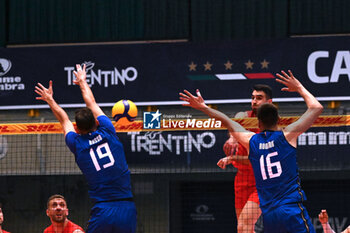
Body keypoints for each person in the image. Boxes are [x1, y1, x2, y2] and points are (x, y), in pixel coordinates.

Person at [180, 70, 323, 233]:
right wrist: (298, 87)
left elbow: (225, 120)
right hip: (290, 209)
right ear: (279, 120)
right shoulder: (287, 136)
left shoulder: (251, 140)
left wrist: (202, 106)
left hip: (270, 214)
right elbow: (316, 107)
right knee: (243, 225)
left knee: (244, 225)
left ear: (258, 124)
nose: (254, 101)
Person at [35, 64, 137, 233]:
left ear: (77, 129)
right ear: (97, 123)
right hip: (126, 207)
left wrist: (50, 99)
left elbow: (64, 119)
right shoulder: (108, 131)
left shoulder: (76, 143)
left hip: (103, 210)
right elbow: (91, 102)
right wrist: (82, 81)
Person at [219, 84, 272, 233]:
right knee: (243, 229)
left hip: (263, 181)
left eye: (259, 98)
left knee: (245, 223)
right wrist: (232, 138)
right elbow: (236, 121)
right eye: (253, 98)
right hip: (242, 180)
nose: (254, 101)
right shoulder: (245, 116)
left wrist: (232, 158)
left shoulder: (271, 125)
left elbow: (258, 159)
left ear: (269, 102)